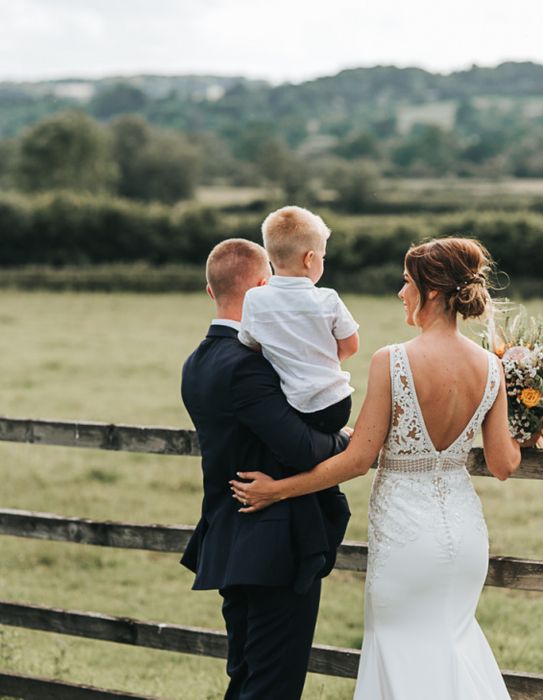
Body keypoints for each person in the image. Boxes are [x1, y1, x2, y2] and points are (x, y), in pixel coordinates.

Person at [232, 237, 522, 699]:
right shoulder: (491, 366)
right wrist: (537, 433)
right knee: (455, 644)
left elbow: (357, 459)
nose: (400, 292)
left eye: (407, 283)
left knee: (400, 652)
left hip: (407, 538)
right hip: (465, 536)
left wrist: (278, 490)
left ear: (430, 292)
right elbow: (504, 463)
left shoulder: (395, 360)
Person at [180, 238, 351, 700]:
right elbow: (299, 448)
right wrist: (349, 439)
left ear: (209, 290)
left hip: (231, 540)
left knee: (247, 679)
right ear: (261, 288)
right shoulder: (249, 363)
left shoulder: (196, 362)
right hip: (273, 548)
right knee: (273, 686)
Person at [238, 205, 359, 433]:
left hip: (291, 405)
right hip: (337, 404)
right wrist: (322, 360)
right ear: (310, 258)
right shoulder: (328, 299)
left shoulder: (254, 299)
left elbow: (249, 344)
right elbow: (352, 345)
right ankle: (339, 438)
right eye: (323, 257)